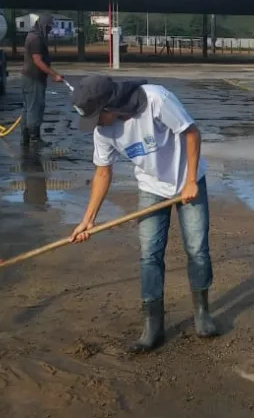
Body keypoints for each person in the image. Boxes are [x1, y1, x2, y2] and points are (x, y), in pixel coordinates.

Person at [68, 74, 217, 353]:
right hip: (151, 187)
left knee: (197, 249)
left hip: (188, 182)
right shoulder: (103, 132)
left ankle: (202, 314)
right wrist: (87, 221)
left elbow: (191, 132)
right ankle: (153, 326)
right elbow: (102, 172)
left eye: (98, 117)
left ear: (110, 106)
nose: (96, 125)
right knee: (150, 254)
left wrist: (191, 180)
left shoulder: (156, 100)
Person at [21, 13, 64, 148]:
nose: (50, 30)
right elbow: (38, 61)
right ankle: (34, 139)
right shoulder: (36, 39)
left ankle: (26, 137)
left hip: (29, 77)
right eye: (49, 27)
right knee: (35, 108)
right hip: (34, 78)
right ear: (44, 25)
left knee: (28, 108)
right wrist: (54, 74)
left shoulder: (33, 35)